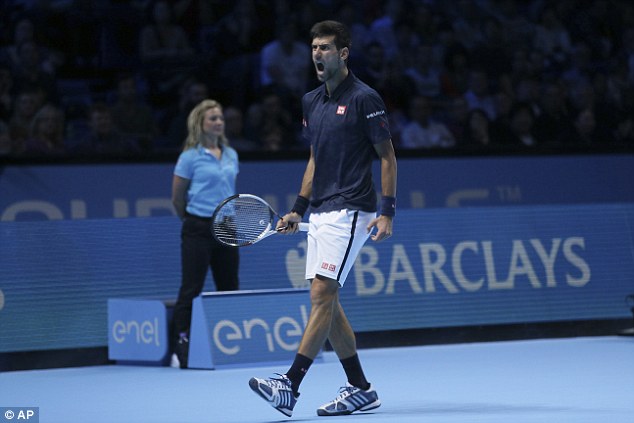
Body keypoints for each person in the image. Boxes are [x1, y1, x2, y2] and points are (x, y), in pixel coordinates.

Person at [249, 20, 397, 417]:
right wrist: (298, 207)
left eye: (326, 48)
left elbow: (387, 155)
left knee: (320, 295)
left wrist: (387, 211)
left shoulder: (366, 98)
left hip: (354, 209)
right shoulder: (310, 101)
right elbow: (315, 157)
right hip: (322, 211)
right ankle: (361, 388)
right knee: (328, 302)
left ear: (343, 53)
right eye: (314, 47)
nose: (318, 53)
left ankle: (289, 384)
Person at [170, 99, 240, 368]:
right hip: (197, 228)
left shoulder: (231, 154)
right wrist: (192, 220)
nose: (218, 122)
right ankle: (182, 345)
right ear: (200, 123)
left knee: (229, 288)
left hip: (227, 227)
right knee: (191, 289)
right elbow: (178, 198)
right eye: (212, 118)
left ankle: (230, 343)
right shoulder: (189, 157)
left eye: (220, 117)